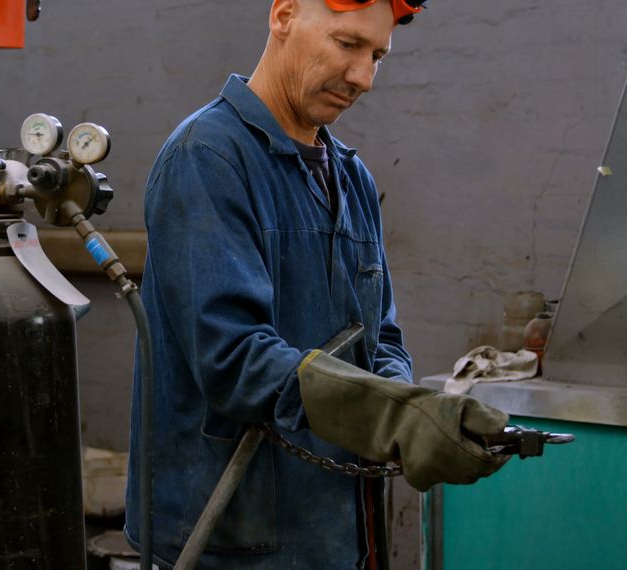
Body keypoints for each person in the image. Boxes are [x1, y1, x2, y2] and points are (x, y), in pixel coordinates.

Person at [125, 1, 510, 567]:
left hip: (338, 532)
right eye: (348, 44)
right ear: (283, 16)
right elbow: (233, 359)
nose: (364, 78)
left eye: (377, 55)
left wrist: (407, 405)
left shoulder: (351, 178)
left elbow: (382, 336)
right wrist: (391, 416)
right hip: (232, 540)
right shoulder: (206, 158)